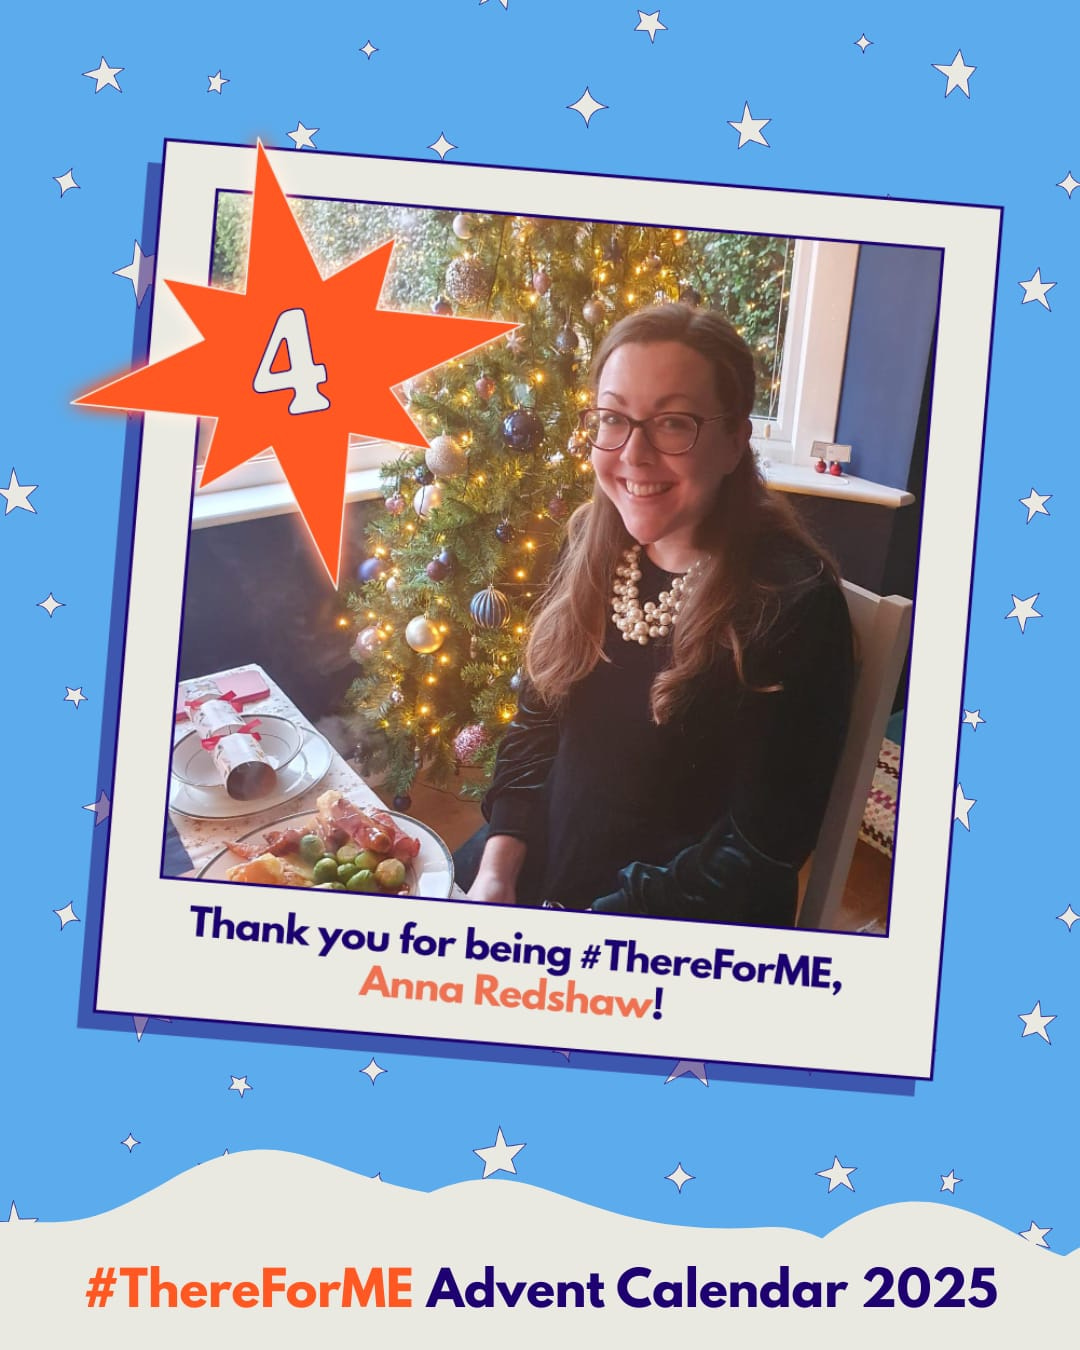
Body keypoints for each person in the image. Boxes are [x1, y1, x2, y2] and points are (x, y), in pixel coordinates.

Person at [459, 302, 854, 927]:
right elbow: (538, 725)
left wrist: (577, 931)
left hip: (681, 920)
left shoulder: (791, 604)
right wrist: (497, 870)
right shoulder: (593, 539)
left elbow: (760, 847)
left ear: (733, 441)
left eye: (673, 423)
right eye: (613, 418)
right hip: (539, 870)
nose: (634, 454)